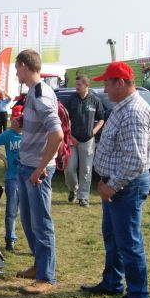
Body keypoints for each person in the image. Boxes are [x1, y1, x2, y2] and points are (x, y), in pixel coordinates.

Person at [82, 61, 150, 298]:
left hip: (125, 186)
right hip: (115, 184)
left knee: (129, 242)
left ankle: (137, 295)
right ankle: (112, 282)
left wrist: (112, 186)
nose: (104, 89)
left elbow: (134, 160)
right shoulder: (122, 108)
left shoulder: (133, 111)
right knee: (113, 237)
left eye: (108, 83)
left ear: (121, 83)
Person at [13, 49, 63, 295]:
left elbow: (57, 134)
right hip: (28, 166)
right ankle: (38, 265)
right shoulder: (34, 93)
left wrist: (41, 168)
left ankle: (46, 277)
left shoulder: (41, 94)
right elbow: (42, 127)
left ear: (24, 66)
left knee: (41, 223)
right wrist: (22, 125)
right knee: (28, 220)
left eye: (16, 67)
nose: (15, 72)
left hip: (36, 170)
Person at [63, 75, 105, 207]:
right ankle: (72, 189)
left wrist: (93, 131)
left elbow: (101, 118)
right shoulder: (71, 100)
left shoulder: (95, 100)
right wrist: (69, 135)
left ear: (86, 85)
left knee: (86, 169)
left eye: (79, 85)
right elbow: (64, 119)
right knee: (69, 169)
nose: (76, 87)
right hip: (72, 140)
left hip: (88, 141)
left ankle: (83, 197)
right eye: (76, 85)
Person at [0, 104, 24, 252]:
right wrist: (4, 158)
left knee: (27, 211)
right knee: (11, 210)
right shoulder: (8, 134)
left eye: (16, 119)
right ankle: (10, 240)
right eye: (13, 117)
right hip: (13, 177)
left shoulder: (29, 135)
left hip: (27, 177)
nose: (12, 120)